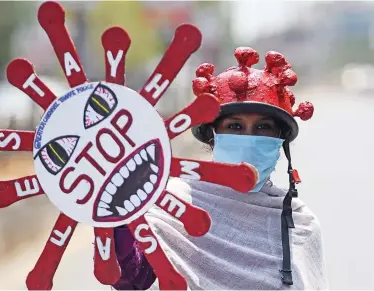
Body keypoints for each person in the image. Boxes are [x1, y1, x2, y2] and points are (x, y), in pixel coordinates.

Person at [110, 47, 328, 290]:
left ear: (279, 141)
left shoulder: (300, 223)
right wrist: (121, 212)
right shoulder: (172, 204)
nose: (249, 138)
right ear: (213, 135)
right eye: (235, 127)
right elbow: (131, 278)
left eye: (263, 127)